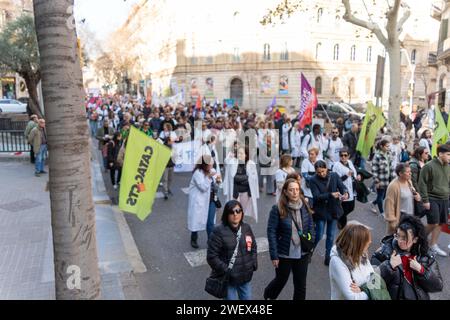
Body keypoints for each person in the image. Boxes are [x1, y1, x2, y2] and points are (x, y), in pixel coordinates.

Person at [264, 178, 315, 300]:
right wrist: (274, 255)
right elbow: (271, 232)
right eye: (291, 190)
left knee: (300, 285)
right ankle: (269, 296)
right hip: (284, 253)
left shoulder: (305, 206)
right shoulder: (277, 209)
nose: (295, 192)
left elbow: (311, 226)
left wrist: (311, 243)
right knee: (281, 280)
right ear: (285, 192)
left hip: (302, 253)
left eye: (297, 189)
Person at [371, 215, 443, 300]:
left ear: (415, 239)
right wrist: (388, 266)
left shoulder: (426, 256)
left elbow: (438, 286)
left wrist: (422, 270)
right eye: (397, 236)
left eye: (404, 238)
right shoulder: (385, 252)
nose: (399, 241)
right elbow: (372, 283)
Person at [206, 200, 257, 300]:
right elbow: (212, 257)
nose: (235, 214)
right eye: (232, 212)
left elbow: (253, 246)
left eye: (238, 211)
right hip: (228, 279)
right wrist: (227, 270)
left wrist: (253, 263)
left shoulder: (246, 228)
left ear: (242, 212)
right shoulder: (218, 232)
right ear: (226, 214)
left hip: (245, 277)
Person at [310, 160, 349, 265]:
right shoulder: (313, 180)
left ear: (326, 168)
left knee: (331, 235)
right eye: (318, 172)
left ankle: (328, 257)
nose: (321, 174)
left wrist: (345, 193)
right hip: (321, 210)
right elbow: (316, 197)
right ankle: (309, 251)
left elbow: (342, 187)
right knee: (318, 234)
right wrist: (330, 195)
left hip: (333, 209)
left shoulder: (334, 175)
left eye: (323, 171)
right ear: (315, 172)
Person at [418, 144, 450, 257]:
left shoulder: (448, 166)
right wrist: (425, 200)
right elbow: (422, 184)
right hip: (432, 198)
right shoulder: (429, 166)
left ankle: (433, 245)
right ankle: (418, 240)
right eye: (448, 154)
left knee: (440, 223)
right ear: (440, 154)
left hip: (445, 199)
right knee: (433, 223)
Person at [329, 222, 374, 300]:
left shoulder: (362, 254)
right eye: (367, 244)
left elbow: (374, 277)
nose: (370, 243)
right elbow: (353, 297)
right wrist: (370, 291)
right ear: (358, 245)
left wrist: (362, 289)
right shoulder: (337, 262)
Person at [187, 155, 218, 249]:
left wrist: (218, 181)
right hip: (199, 201)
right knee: (196, 221)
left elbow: (215, 184)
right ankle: (194, 237)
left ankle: (211, 241)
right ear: (204, 164)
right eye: (210, 164)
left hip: (211, 199)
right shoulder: (197, 173)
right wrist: (209, 177)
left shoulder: (211, 171)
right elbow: (203, 187)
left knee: (210, 222)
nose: (212, 166)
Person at [223, 146, 259, 223]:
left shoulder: (251, 164)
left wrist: (240, 179)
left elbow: (253, 179)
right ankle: (235, 227)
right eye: (238, 153)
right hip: (235, 192)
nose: (239, 155)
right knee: (235, 211)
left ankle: (240, 227)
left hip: (245, 192)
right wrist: (244, 179)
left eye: (241, 153)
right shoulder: (233, 162)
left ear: (246, 154)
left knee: (242, 211)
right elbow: (226, 162)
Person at [384, 163, 422, 235]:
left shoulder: (408, 181)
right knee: (394, 239)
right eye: (407, 172)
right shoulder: (393, 186)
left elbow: (413, 193)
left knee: (407, 239)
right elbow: (389, 204)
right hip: (400, 217)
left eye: (410, 171)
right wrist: (392, 221)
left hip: (410, 216)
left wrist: (417, 196)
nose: (410, 173)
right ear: (400, 173)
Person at [332, 148, 358, 229]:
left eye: (345, 155)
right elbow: (336, 180)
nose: (343, 157)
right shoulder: (336, 165)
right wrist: (347, 175)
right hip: (343, 190)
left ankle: (339, 217)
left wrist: (357, 176)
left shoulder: (350, 162)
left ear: (348, 156)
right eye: (341, 155)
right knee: (344, 209)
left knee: (351, 207)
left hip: (352, 189)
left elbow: (354, 173)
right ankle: (342, 226)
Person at [370, 139, 395, 216]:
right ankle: (382, 212)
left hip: (388, 179)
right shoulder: (377, 156)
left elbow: (390, 166)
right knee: (380, 196)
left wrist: (393, 177)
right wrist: (376, 181)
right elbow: (374, 169)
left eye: (388, 146)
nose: (388, 148)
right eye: (387, 146)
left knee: (384, 196)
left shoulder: (388, 153)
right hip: (380, 179)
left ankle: (373, 203)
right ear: (381, 146)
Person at [159, 123, 178, 200]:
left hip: (171, 165)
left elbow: (175, 155)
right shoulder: (164, 148)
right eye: (170, 141)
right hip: (165, 165)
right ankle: (165, 192)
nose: (172, 142)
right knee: (165, 179)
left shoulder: (173, 148)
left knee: (170, 179)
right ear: (168, 141)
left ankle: (168, 188)